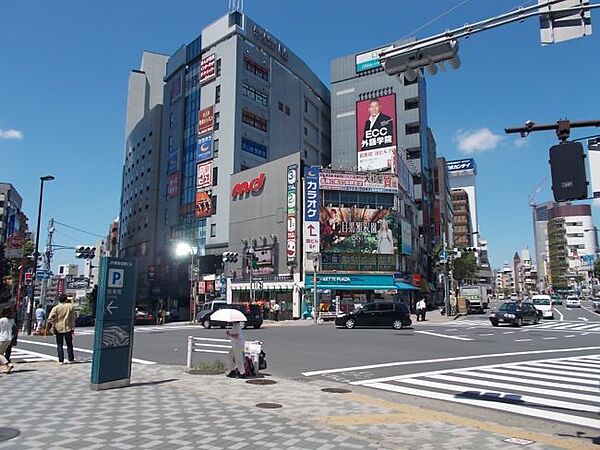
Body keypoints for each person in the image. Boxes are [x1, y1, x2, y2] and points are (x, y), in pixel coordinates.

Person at [47, 295, 77, 364]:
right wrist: (73, 327)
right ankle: (71, 358)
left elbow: (50, 318)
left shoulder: (56, 308)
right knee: (69, 344)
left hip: (58, 327)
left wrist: (54, 323)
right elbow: (73, 318)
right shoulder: (70, 307)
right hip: (68, 327)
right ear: (66, 300)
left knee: (59, 344)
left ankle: (61, 360)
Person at [0, 308, 15, 374]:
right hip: (9, 338)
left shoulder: (2, 320)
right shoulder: (12, 320)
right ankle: (6, 366)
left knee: (0, 355)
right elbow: (14, 328)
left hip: (2, 338)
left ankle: (8, 365)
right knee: (1, 355)